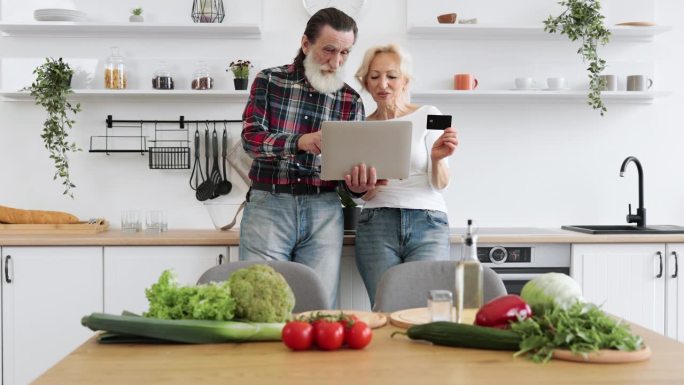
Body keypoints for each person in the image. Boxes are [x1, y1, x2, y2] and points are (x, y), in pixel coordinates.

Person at [239, 8, 378, 307]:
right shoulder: (269, 81)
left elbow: (348, 180)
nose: (336, 62)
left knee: (318, 307)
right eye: (329, 50)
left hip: (325, 211)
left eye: (345, 53)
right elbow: (251, 140)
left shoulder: (350, 100)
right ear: (305, 44)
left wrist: (359, 184)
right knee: (257, 305)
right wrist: (301, 142)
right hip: (268, 206)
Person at [350, 44, 459, 306]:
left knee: (426, 311)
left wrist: (437, 158)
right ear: (365, 82)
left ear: (405, 80)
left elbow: (442, 184)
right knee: (385, 308)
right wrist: (365, 187)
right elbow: (362, 196)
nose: (382, 84)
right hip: (376, 224)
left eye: (391, 76)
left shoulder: (431, 114)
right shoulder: (359, 126)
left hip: (428, 223)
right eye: (374, 77)